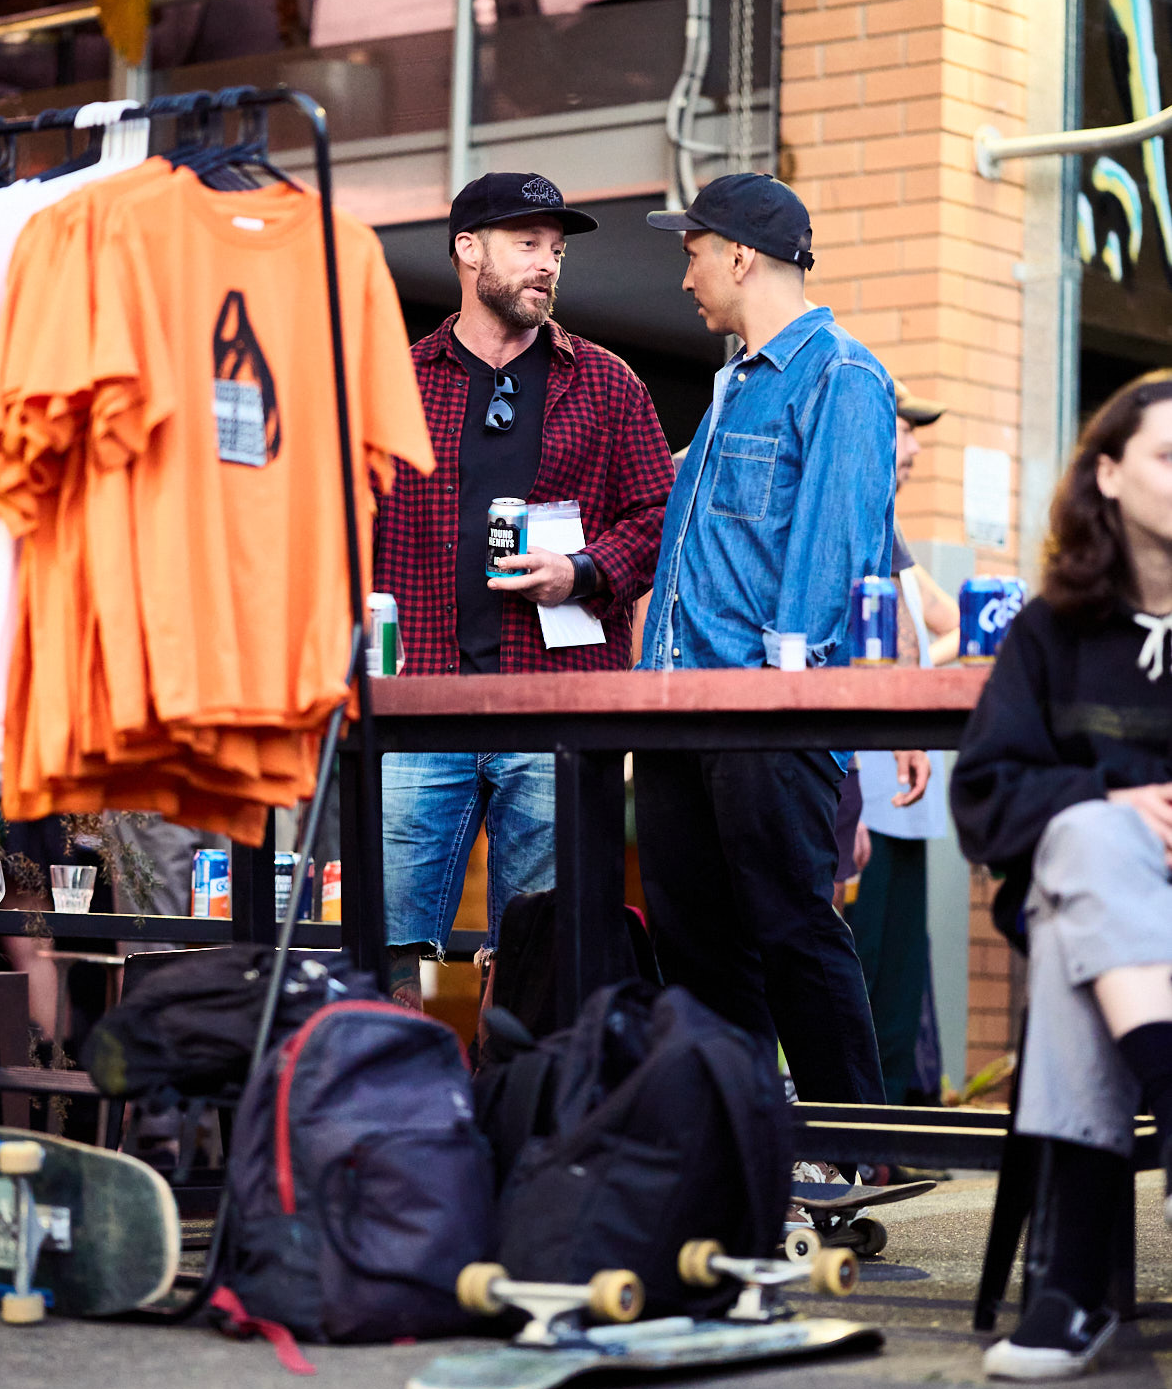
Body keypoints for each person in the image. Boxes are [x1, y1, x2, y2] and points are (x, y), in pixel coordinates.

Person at [373, 171, 674, 1009]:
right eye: (527, 244)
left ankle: (514, 1085)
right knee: (385, 940)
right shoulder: (395, 381)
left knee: (541, 946)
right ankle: (389, 1079)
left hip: (555, 705)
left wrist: (583, 571)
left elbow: (660, 515)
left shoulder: (607, 383)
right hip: (419, 699)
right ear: (468, 250)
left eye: (556, 249)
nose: (547, 263)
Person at [633, 172, 896, 1104]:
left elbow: (833, 553)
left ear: (740, 256)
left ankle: (849, 1149)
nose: (684, 278)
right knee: (695, 944)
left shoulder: (841, 377)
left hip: (764, 712)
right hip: (675, 711)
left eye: (693, 255)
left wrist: (785, 701)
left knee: (790, 930)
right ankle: (738, 1137)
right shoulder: (730, 389)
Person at [953, 371, 1172, 1381]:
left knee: (1071, 927)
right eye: (1168, 456)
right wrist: (1118, 799)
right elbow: (984, 800)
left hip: (1093, 924)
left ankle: (1072, 1284)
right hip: (1100, 896)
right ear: (1109, 475)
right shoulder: (1052, 630)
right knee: (1084, 847)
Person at [849, 385, 960, 1103]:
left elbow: (954, 627)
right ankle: (853, 1125)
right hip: (860, 789)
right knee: (855, 970)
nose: (915, 447)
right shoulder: (846, 520)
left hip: (909, 794)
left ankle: (888, 1131)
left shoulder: (897, 543)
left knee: (898, 978)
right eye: (903, 430)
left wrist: (920, 676)